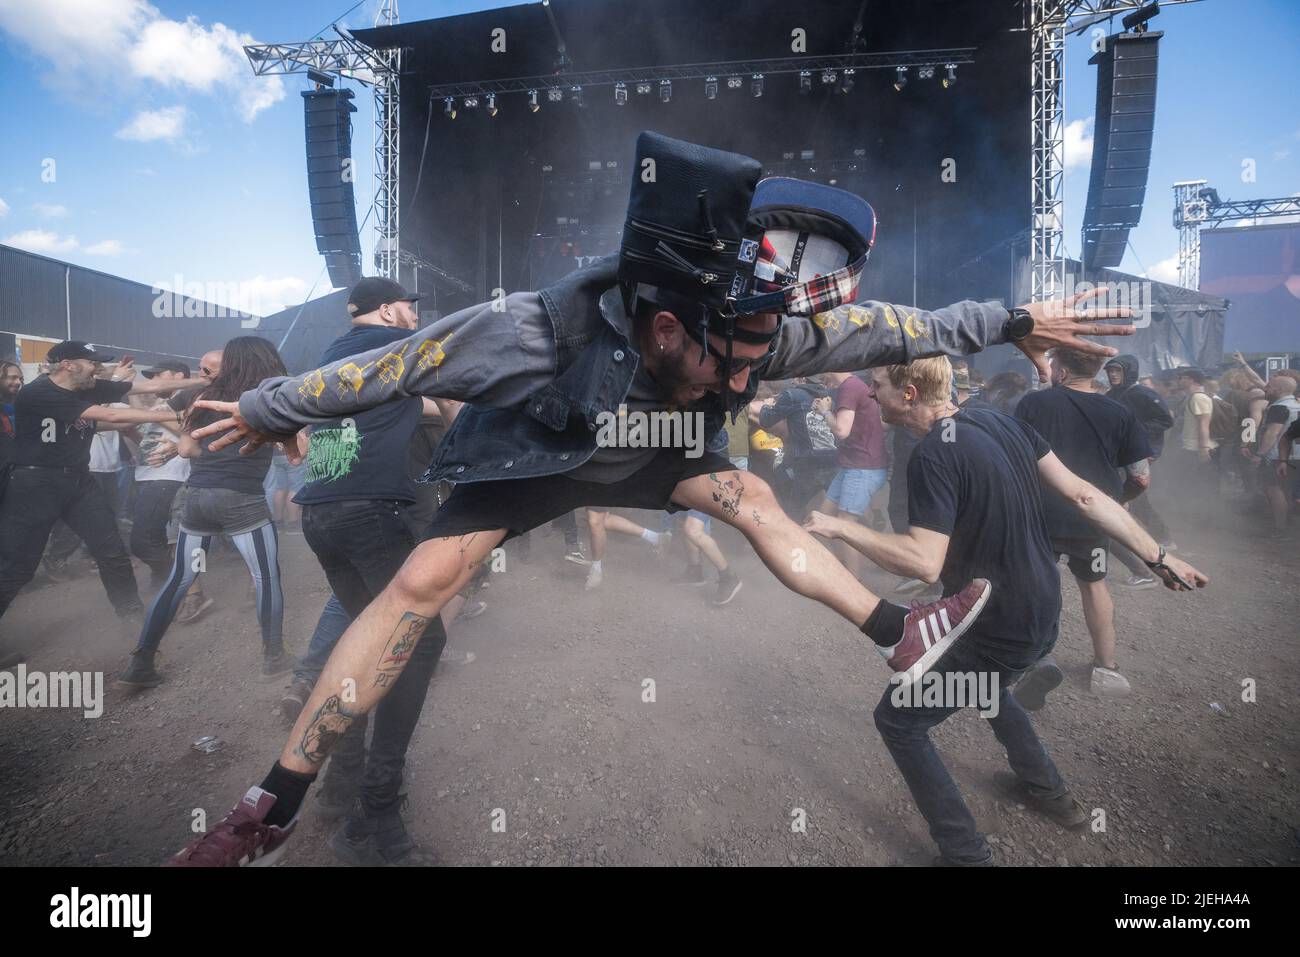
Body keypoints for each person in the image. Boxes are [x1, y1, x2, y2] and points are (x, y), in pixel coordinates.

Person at [167, 134, 1134, 867]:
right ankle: (273, 804)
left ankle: (897, 628)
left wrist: (1010, 319)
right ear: (668, 325)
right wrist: (266, 403)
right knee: (425, 577)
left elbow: (895, 328)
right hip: (538, 448)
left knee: (752, 497)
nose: (753, 371)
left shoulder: (772, 331)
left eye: (768, 351)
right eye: (736, 356)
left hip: (656, 447)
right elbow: (392, 364)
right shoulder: (529, 333)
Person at [803, 356, 1206, 865]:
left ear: (908, 393)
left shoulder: (932, 455)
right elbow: (1086, 493)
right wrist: (1159, 554)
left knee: (899, 721)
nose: (871, 394)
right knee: (988, 686)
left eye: (878, 385)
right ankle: (1049, 793)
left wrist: (841, 527)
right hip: (1042, 607)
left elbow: (924, 563)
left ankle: (965, 852)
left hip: (992, 623)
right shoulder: (998, 420)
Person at [283, 276, 454, 864]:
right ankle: (374, 820)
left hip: (322, 516)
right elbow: (455, 394)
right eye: (410, 305)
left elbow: (413, 406)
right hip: (373, 515)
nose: (415, 314)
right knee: (417, 645)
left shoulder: (332, 357)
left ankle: (340, 784)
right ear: (387, 310)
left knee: (363, 643)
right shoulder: (398, 351)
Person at [118, 337, 292, 688]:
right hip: (241, 499)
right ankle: (274, 657)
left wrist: (183, 448)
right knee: (265, 577)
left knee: (180, 578)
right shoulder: (265, 394)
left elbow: (186, 446)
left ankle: (141, 663)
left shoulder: (198, 395)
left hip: (197, 498)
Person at [0, 343, 206, 624]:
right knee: (18, 567)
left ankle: (132, 620)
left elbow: (139, 388)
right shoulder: (39, 393)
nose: (97, 367)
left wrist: (206, 380)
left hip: (77, 479)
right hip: (35, 482)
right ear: (68, 365)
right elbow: (110, 415)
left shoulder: (85, 387)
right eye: (91, 362)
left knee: (112, 551)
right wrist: (175, 415)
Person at [1015, 348, 1153, 696]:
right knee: (1094, 585)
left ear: (1060, 370)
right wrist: (1116, 502)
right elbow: (1141, 478)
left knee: (1038, 584)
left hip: (1038, 513)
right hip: (1092, 519)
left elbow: (1014, 456)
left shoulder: (1034, 404)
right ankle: (1106, 669)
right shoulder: (1120, 411)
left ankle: (1038, 660)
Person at [818, 371, 888, 582]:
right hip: (853, 465)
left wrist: (824, 412)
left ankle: (854, 581)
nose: (822, 379)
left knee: (845, 524)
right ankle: (844, 569)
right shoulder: (855, 386)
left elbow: (841, 430)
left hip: (863, 468)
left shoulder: (849, 387)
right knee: (824, 517)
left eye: (822, 372)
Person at [128, 360, 192, 590]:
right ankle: (166, 584)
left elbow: (191, 433)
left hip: (170, 476)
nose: (152, 381)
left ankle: (184, 587)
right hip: (147, 475)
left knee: (147, 541)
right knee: (156, 539)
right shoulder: (163, 405)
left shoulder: (190, 400)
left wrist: (152, 418)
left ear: (179, 376)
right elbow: (144, 432)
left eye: (157, 375)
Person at [1104, 353, 1176, 558]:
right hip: (1119, 452)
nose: (1113, 374)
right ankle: (1124, 539)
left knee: (1132, 495)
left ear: (1129, 371)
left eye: (1117, 370)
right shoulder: (1112, 395)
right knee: (1120, 493)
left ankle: (1160, 538)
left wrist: (1135, 430)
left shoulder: (1143, 393)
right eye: (1110, 370)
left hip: (1141, 452)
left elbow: (1165, 420)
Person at [1246, 371, 1300, 536]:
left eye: (1269, 387)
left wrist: (1259, 454)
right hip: (1296, 454)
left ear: (1278, 390)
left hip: (1279, 456)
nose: (1266, 389)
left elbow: (1272, 434)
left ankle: (1280, 527)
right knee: (1290, 491)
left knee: (1274, 489)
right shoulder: (1297, 404)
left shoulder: (1279, 407)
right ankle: (1290, 524)